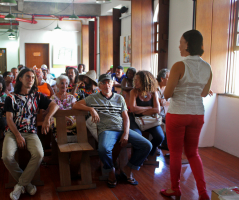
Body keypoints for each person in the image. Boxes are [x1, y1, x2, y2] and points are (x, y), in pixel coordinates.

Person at [73, 74, 152, 188]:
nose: (107, 85)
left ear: (112, 84)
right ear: (99, 85)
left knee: (147, 145)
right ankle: (111, 171)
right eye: (103, 83)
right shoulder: (93, 98)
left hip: (121, 128)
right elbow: (75, 105)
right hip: (107, 129)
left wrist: (126, 133)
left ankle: (127, 169)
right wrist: (91, 109)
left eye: (109, 82)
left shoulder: (119, 98)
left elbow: (125, 117)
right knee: (103, 149)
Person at [160, 30, 212, 200]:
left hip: (178, 113)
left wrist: (170, 86)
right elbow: (204, 93)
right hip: (197, 114)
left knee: (175, 154)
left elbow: (166, 94)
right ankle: (203, 193)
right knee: (193, 153)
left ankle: (175, 189)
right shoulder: (207, 67)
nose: (179, 45)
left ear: (188, 44)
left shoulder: (179, 66)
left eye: (181, 42)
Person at [2, 68, 59, 200]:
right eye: (28, 76)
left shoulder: (37, 96)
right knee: (6, 157)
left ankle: (20, 185)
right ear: (20, 79)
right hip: (13, 132)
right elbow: (9, 119)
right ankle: (27, 185)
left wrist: (47, 118)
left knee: (39, 154)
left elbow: (54, 105)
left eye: (33, 77)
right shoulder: (11, 97)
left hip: (31, 132)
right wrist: (17, 135)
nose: (31, 79)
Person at [129, 71, 164, 158]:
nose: (135, 82)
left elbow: (157, 110)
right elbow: (132, 109)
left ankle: (147, 153)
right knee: (138, 137)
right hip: (135, 119)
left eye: (138, 80)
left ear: (145, 81)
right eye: (135, 80)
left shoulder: (153, 92)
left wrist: (140, 110)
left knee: (160, 137)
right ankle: (138, 156)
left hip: (150, 119)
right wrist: (149, 108)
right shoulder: (134, 91)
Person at [50, 75, 77, 141]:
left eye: (66, 83)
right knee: (54, 124)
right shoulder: (53, 98)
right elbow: (53, 112)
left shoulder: (71, 97)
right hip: (57, 120)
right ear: (57, 85)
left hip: (70, 121)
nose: (64, 85)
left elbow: (75, 109)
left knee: (79, 124)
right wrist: (64, 118)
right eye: (62, 83)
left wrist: (70, 119)